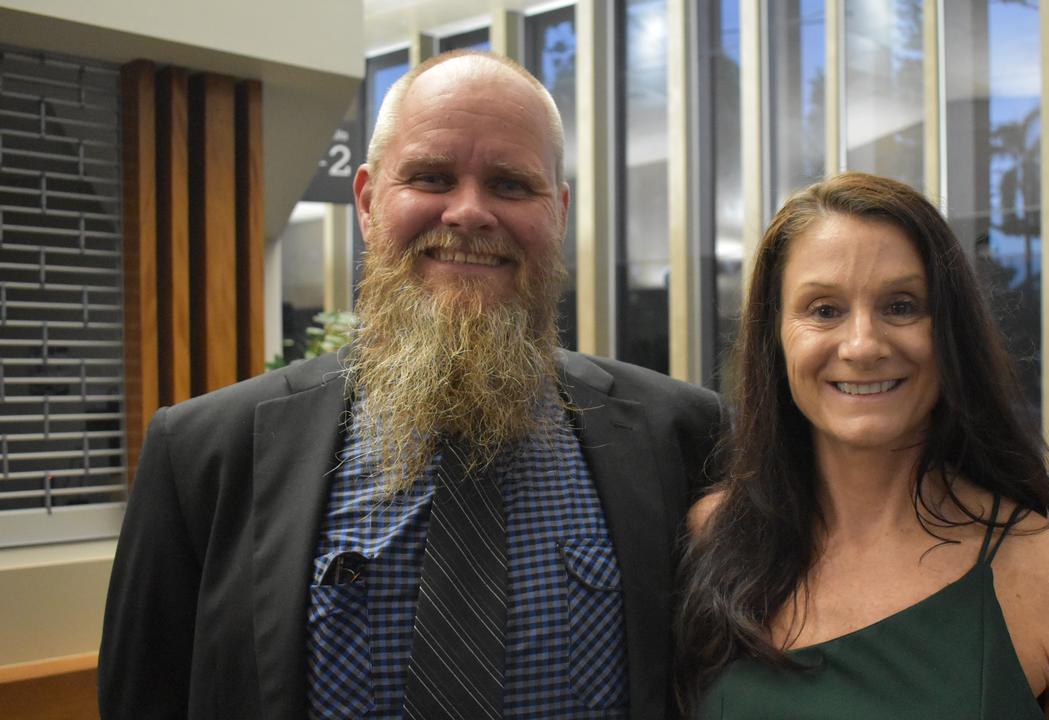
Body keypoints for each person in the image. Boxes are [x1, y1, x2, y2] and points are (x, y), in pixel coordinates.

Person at [99, 50, 724, 719]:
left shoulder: (682, 437)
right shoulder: (205, 456)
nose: (469, 212)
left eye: (512, 185)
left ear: (559, 213)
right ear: (368, 202)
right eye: (431, 176)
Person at [675, 173, 1049, 718]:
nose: (862, 346)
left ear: (950, 331)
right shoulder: (716, 535)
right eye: (824, 310)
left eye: (901, 306)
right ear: (774, 339)